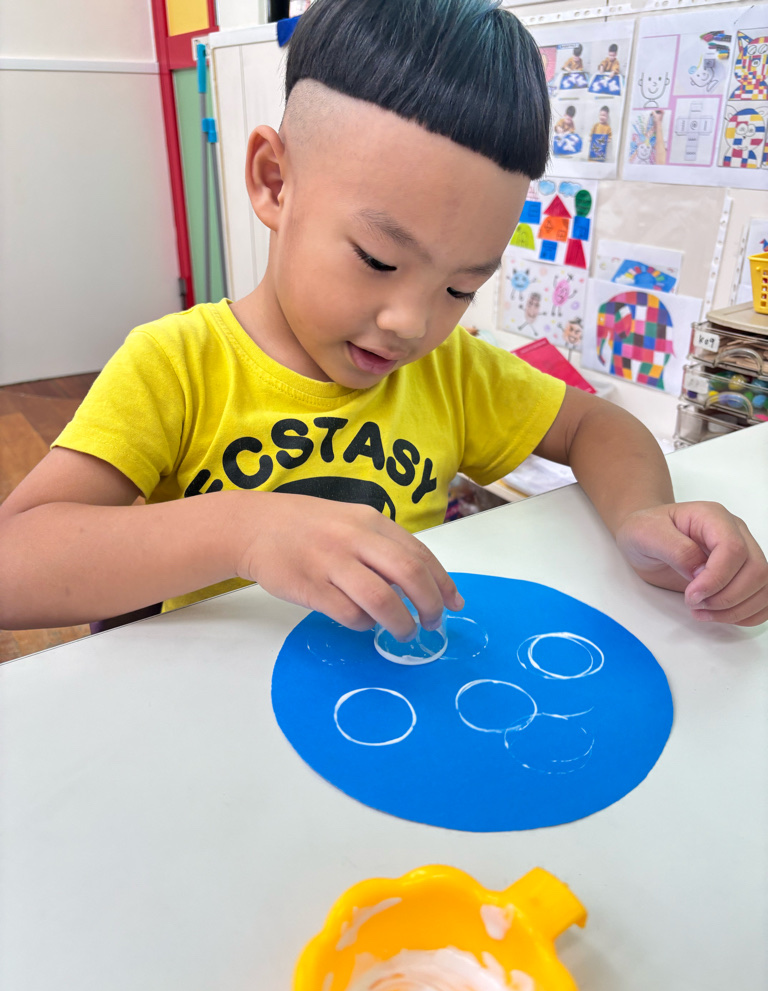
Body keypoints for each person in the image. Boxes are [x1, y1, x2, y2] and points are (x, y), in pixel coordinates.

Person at [1, 0, 766, 636]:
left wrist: (645, 514)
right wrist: (245, 530)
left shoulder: (450, 372)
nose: (411, 323)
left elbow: (598, 426)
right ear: (274, 181)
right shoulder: (175, 365)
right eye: (377, 259)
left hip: (394, 705)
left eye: (460, 290)